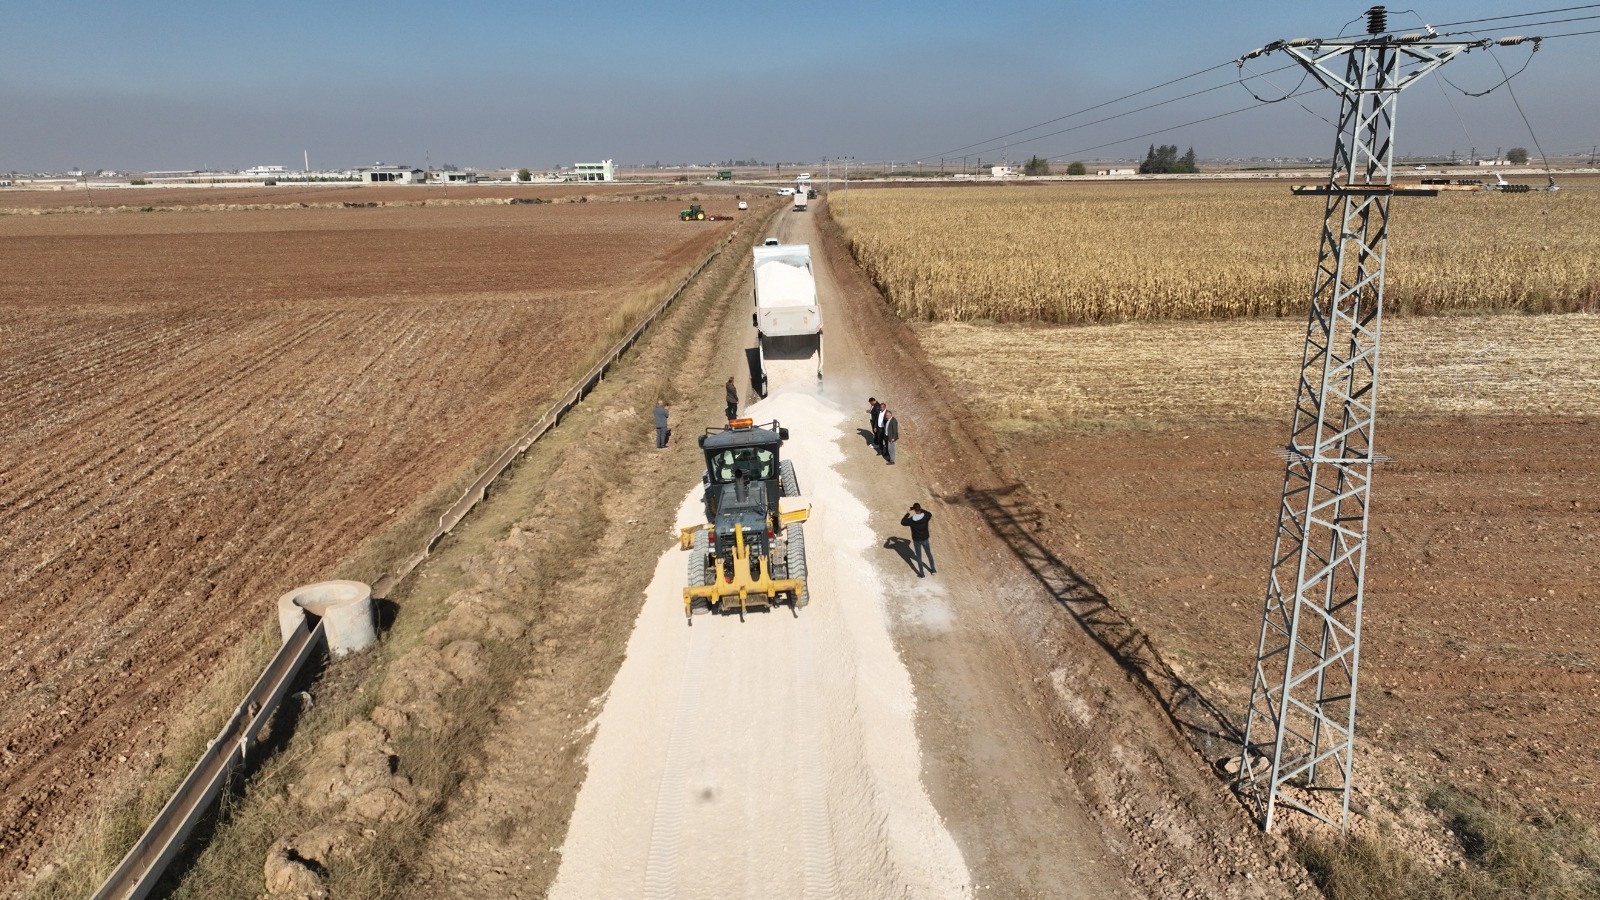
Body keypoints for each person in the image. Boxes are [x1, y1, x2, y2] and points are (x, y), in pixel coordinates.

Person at [901, 503, 935, 576]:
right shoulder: (926, 516)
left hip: (917, 540)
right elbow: (929, 513)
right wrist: (919, 509)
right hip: (925, 539)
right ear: (920, 508)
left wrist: (908, 513)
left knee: (919, 557)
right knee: (929, 554)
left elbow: (903, 522)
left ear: (914, 510)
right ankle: (933, 570)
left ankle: (922, 574)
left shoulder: (912, 520)